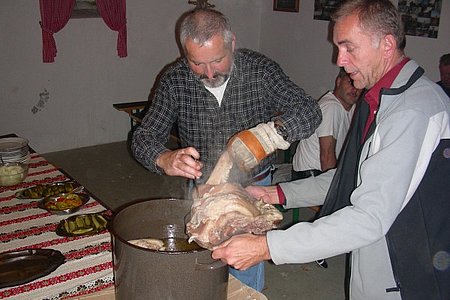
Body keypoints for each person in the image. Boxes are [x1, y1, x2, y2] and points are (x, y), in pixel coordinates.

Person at [211, 1, 450, 299]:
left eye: (349, 47)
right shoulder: (377, 100)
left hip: (406, 277)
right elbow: (352, 179)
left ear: (386, 44)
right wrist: (278, 194)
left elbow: (369, 218)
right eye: (338, 47)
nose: (339, 59)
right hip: (373, 266)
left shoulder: (414, 111)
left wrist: (267, 246)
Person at [131, 8, 322, 291]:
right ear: (185, 54)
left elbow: (309, 111)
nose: (209, 73)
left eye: (218, 60)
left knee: (243, 267)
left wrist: (270, 135)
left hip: (254, 188)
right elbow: (142, 137)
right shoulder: (175, 79)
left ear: (232, 43)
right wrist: (163, 157)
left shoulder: (260, 71)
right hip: (202, 189)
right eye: (197, 63)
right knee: (200, 264)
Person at [292, 68, 362, 180]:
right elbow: (326, 156)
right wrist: (335, 189)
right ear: (338, 81)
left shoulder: (351, 109)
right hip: (311, 178)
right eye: (350, 82)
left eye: (358, 85)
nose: (355, 90)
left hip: (317, 176)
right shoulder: (331, 107)